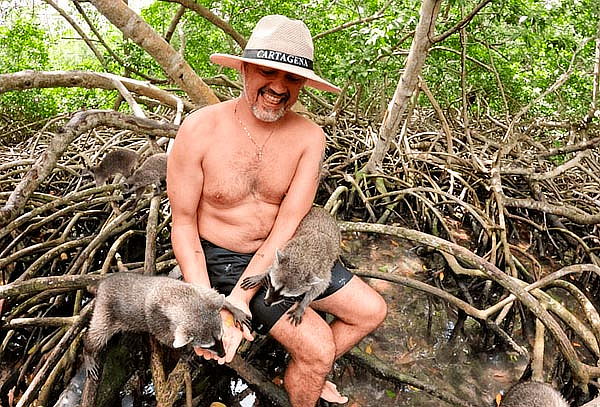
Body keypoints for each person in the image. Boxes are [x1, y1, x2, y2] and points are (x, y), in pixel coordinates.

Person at [167, 15, 387, 406]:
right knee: (318, 349)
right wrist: (214, 305)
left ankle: (305, 373)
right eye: (268, 72)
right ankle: (311, 366)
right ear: (246, 68)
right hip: (224, 256)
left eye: (293, 80)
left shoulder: (308, 137)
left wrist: (241, 302)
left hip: (284, 251)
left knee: (370, 311)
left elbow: (288, 222)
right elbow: (183, 225)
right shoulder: (199, 130)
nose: (279, 88)